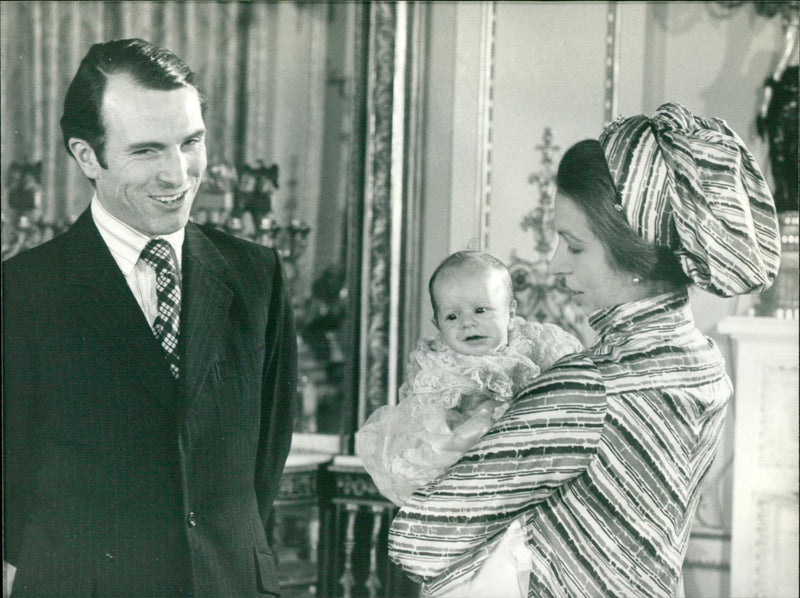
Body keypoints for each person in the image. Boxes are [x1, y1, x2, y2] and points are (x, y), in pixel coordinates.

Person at [388, 102, 781, 597]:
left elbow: (417, 539)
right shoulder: (702, 363)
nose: (555, 265)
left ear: (633, 252)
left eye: (573, 246)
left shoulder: (587, 386)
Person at [2, 39, 297, 597]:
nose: (178, 173)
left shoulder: (256, 274)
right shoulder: (21, 291)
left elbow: (267, 455)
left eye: (191, 142)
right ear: (88, 156)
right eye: (146, 151)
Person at [357, 251, 583, 597]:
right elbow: (428, 430)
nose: (467, 323)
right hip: (463, 493)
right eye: (452, 315)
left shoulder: (536, 353)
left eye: (481, 310)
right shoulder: (439, 369)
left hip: (530, 491)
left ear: (511, 311)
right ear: (437, 324)